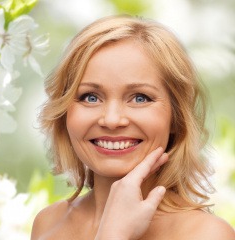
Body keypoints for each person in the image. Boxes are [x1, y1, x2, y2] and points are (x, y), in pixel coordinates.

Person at [31, 15, 235, 240]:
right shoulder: (48, 224)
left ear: (176, 118)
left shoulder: (206, 234)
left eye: (140, 98)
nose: (111, 120)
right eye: (90, 97)